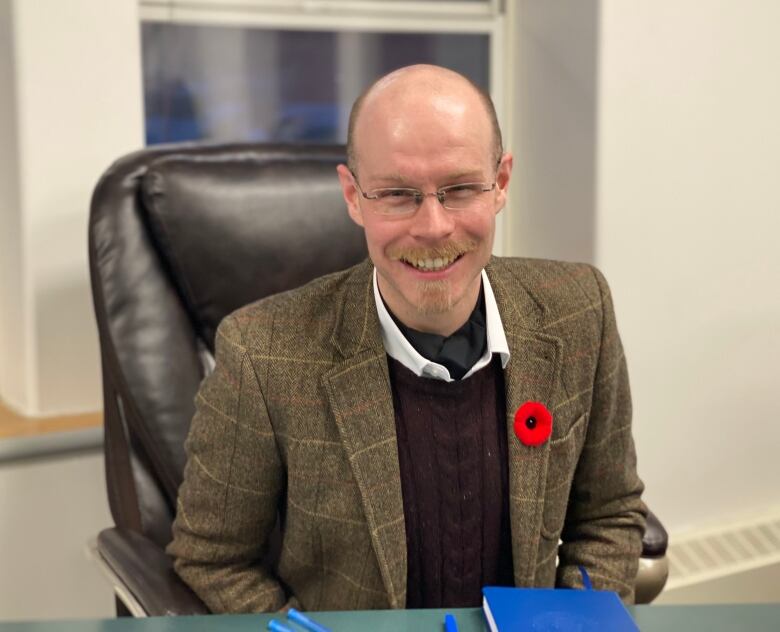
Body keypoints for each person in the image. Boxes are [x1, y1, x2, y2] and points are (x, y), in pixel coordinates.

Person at [167, 64, 646, 613]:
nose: (434, 227)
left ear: (502, 185)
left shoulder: (579, 310)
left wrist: (575, 623)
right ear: (353, 196)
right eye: (397, 194)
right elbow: (213, 559)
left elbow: (608, 514)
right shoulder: (263, 354)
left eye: (460, 188)